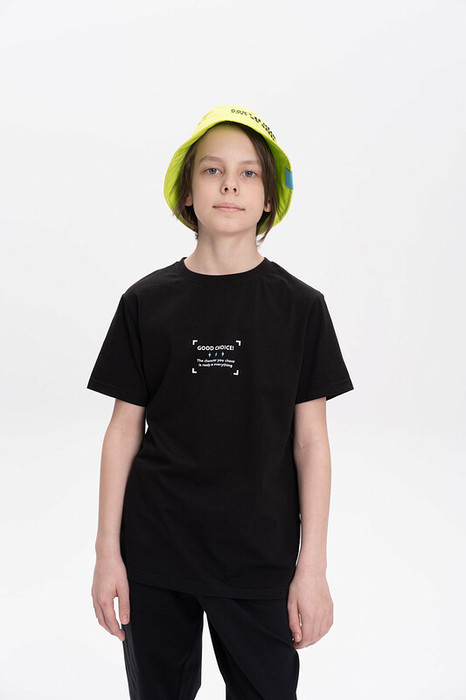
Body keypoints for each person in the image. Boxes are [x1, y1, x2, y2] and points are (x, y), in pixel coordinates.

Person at [87, 104, 354, 700]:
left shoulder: (301, 309)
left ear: (269, 198)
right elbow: (123, 431)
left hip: (259, 557)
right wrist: (108, 554)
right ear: (187, 192)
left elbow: (311, 442)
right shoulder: (144, 303)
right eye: (212, 170)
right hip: (155, 552)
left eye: (248, 172)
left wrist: (312, 568)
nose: (229, 184)